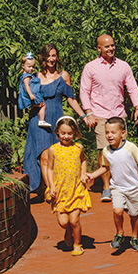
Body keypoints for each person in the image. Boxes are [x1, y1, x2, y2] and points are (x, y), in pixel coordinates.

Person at [79, 34, 138, 203]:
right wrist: (89, 112)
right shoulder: (90, 67)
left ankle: (123, 185)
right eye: (106, 46)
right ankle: (107, 187)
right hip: (100, 115)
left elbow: (132, 88)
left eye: (112, 45)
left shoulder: (123, 66)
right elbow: (84, 91)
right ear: (99, 48)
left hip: (119, 114)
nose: (110, 48)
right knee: (105, 151)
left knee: (122, 151)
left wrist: (137, 107)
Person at [84, 117, 138, 252]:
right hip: (117, 187)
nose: (109, 135)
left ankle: (135, 237)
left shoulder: (130, 147)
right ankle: (119, 233)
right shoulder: (106, 151)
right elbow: (105, 167)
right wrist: (92, 175)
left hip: (134, 188)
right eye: (107, 132)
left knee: (134, 215)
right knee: (117, 211)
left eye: (113, 132)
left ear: (122, 133)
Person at [22, 44, 86, 200]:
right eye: (48, 56)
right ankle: (48, 190)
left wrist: (84, 116)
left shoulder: (64, 75)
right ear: (43, 57)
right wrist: (33, 104)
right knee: (43, 155)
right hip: (39, 118)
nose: (51, 59)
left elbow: (71, 98)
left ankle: (51, 186)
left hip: (56, 118)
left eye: (54, 55)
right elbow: (26, 95)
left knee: (53, 155)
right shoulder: (35, 75)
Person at [40, 116, 92, 256]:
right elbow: (49, 169)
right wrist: (51, 186)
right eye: (63, 133)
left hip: (76, 189)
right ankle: (68, 231)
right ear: (57, 133)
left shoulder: (78, 148)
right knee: (64, 222)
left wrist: (83, 173)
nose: (66, 136)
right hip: (60, 190)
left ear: (74, 133)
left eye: (69, 133)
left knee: (74, 220)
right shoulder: (53, 150)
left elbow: (83, 161)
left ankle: (77, 244)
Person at [17, 53, 50, 129]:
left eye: (33, 67)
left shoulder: (27, 75)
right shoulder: (27, 76)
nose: (31, 69)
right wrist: (31, 94)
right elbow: (27, 86)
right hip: (32, 94)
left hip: (32, 94)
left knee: (34, 106)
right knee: (43, 105)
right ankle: (42, 120)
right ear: (23, 66)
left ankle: (30, 120)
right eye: (29, 67)